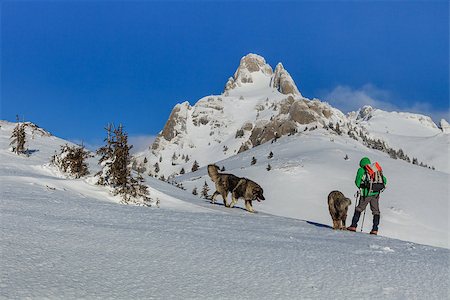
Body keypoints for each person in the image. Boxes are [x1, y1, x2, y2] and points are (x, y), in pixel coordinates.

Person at [347, 157, 387, 235]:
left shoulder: (361, 170)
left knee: (359, 209)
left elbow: (357, 181)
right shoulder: (375, 169)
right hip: (376, 193)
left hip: (366, 193)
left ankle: (353, 226)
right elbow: (384, 180)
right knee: (376, 211)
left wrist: (362, 187)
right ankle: (375, 229)